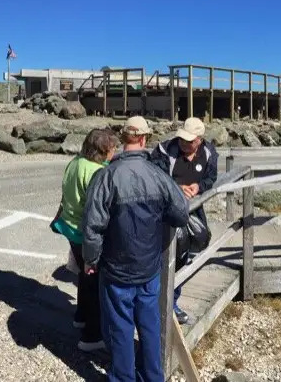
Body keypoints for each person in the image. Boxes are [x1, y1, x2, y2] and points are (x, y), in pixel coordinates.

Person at [81, 116, 189, 381]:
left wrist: (90, 260)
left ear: (123, 138)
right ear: (144, 139)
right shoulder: (158, 175)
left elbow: (92, 226)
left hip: (116, 270)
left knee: (120, 328)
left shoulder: (106, 176)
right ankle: (153, 376)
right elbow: (181, 215)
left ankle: (124, 377)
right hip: (149, 267)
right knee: (150, 327)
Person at [50, 128, 119, 352]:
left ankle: (80, 316)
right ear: (103, 149)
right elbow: (97, 209)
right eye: (112, 147)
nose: (115, 151)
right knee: (95, 282)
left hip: (69, 227)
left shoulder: (75, 162)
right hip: (85, 232)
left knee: (83, 275)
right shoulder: (97, 172)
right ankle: (91, 336)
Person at [150, 117, 218, 325]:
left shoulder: (209, 153)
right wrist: (177, 188)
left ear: (199, 140)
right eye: (182, 139)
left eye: (189, 141)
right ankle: (161, 302)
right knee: (164, 254)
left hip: (192, 210)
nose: (184, 143)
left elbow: (210, 178)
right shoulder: (163, 151)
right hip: (164, 211)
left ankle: (172, 300)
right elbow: (154, 176)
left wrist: (199, 187)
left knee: (186, 255)